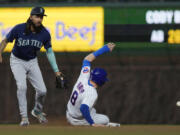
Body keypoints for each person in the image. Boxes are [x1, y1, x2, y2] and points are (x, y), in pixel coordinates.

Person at [0, 7, 66, 126]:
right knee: (22, 87)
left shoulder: (44, 33)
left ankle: (37, 111)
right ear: (31, 17)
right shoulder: (19, 28)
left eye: (41, 17)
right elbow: (5, 41)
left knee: (42, 91)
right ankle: (24, 118)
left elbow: (49, 52)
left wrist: (56, 71)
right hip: (17, 61)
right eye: (37, 16)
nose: (39, 19)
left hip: (32, 61)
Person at [66, 43, 120, 127]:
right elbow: (83, 108)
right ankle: (91, 123)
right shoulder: (92, 92)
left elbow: (87, 60)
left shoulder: (84, 77)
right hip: (78, 120)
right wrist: (92, 124)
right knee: (105, 119)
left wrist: (104, 49)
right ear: (101, 81)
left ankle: (87, 120)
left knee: (91, 108)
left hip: (69, 113)